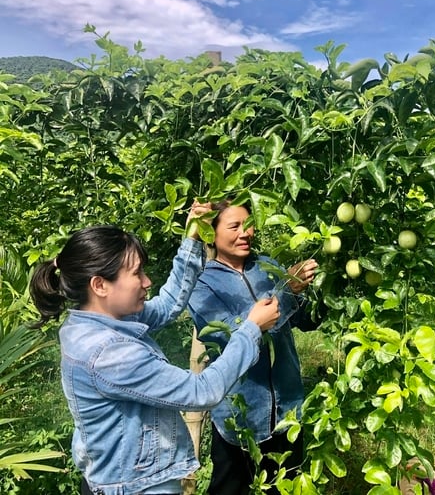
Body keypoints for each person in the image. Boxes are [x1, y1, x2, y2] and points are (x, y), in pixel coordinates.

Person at [29, 202, 281, 495]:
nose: (147, 281)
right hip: (136, 488)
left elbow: (165, 307)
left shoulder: (96, 320)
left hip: (120, 479)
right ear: (100, 285)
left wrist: (192, 239)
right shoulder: (109, 353)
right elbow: (202, 391)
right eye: (137, 273)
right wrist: (251, 329)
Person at [188, 199, 320, 495]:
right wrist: (287, 290)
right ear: (213, 233)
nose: (244, 233)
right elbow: (232, 332)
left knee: (285, 488)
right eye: (234, 226)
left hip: (288, 410)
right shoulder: (202, 284)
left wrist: (321, 289)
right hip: (240, 417)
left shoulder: (267, 266)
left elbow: (304, 320)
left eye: (248, 225)